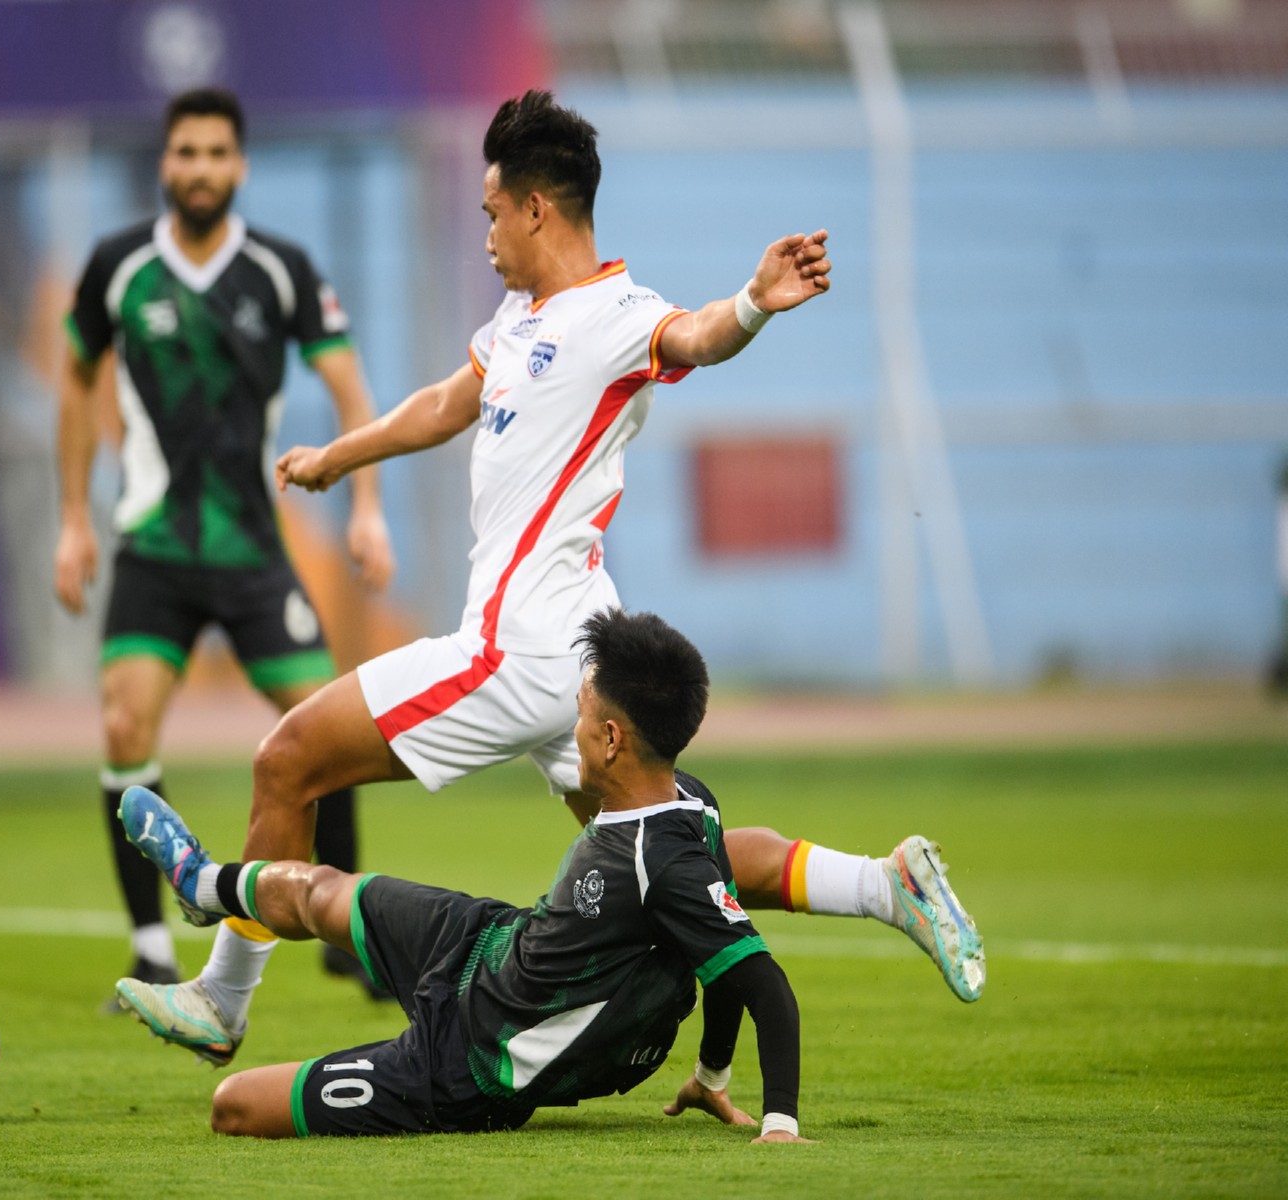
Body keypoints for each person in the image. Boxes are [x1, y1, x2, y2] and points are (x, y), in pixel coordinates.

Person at [115, 88, 983, 1065]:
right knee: (666, 851)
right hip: (579, 652)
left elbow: (695, 335)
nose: (484, 233)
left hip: (513, 652)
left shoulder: (620, 316)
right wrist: (341, 456)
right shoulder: (520, 315)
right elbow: (449, 399)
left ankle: (223, 1002)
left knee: (285, 761)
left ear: (536, 208)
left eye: (491, 212)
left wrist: (752, 303)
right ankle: (881, 883)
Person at [120, 608, 810, 1141]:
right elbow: (722, 948)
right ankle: (205, 883)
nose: (570, 730)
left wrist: (780, 1126)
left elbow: (762, 986)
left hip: (470, 1062)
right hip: (485, 941)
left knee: (232, 1107)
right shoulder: (694, 800)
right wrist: (712, 1073)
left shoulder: (660, 857)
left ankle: (213, 896)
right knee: (320, 886)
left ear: (610, 739)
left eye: (579, 714)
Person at [53, 87, 395, 1005]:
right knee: (125, 728)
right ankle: (149, 942)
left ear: (239, 167)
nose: (199, 169)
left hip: (253, 551)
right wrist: (74, 521)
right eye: (185, 153)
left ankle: (345, 932)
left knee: (330, 726)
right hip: (154, 551)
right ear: (166, 164)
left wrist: (368, 508)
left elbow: (354, 396)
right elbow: (75, 381)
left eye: (216, 154)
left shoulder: (280, 269)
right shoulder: (118, 267)